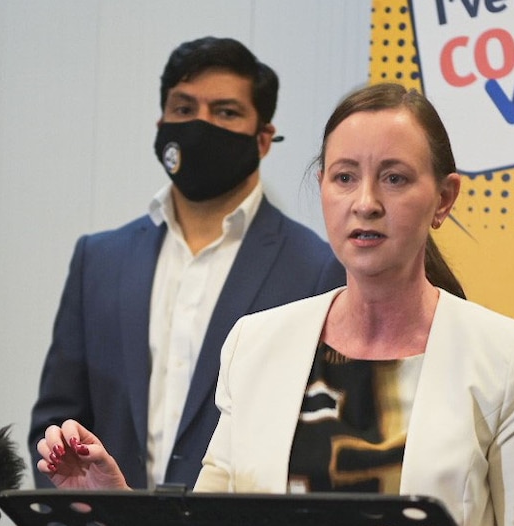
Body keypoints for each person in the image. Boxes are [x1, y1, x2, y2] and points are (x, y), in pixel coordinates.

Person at [35, 82, 514, 526]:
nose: (365, 203)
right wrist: (116, 504)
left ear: (443, 197)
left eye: (394, 177)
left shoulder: (510, 355)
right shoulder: (256, 343)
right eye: (344, 177)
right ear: (322, 188)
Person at [28, 37, 345, 491]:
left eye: (226, 112)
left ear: (264, 139)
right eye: (183, 109)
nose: (201, 127)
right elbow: (57, 424)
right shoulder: (97, 260)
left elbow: (321, 442)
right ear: (161, 123)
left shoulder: (317, 269)